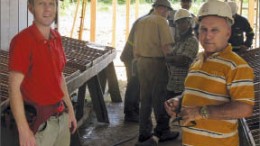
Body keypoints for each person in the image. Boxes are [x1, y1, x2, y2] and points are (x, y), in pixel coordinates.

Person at [165, 0, 255, 146]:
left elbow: (244, 108)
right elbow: (194, 92)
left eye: (215, 30)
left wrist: (201, 112)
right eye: (203, 29)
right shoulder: (197, 60)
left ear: (228, 33)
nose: (207, 36)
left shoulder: (237, 66)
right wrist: (179, 101)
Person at [8, 0, 77, 146]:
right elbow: (13, 88)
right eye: (41, 3)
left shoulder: (56, 37)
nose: (47, 9)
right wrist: (24, 130)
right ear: (31, 8)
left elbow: (59, 76)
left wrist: (69, 109)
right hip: (40, 127)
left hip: (61, 118)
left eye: (51, 4)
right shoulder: (22, 41)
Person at [133, 0, 179, 145]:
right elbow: (166, 46)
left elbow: (135, 46)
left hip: (141, 62)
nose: (167, 14)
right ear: (162, 9)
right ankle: (163, 131)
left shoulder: (141, 21)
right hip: (156, 63)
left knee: (145, 98)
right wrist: (172, 63)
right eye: (167, 11)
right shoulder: (161, 21)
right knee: (159, 98)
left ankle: (144, 132)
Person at [120, 9, 153, 123]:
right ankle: (129, 113)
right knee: (134, 84)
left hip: (135, 56)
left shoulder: (147, 20)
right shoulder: (145, 22)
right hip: (131, 56)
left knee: (137, 84)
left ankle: (134, 110)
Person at [165, 8, 199, 100]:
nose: (180, 25)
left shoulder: (192, 40)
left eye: (183, 22)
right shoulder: (180, 41)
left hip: (184, 87)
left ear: (189, 23)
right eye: (178, 23)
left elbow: (183, 60)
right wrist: (173, 58)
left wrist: (168, 59)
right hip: (173, 84)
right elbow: (173, 57)